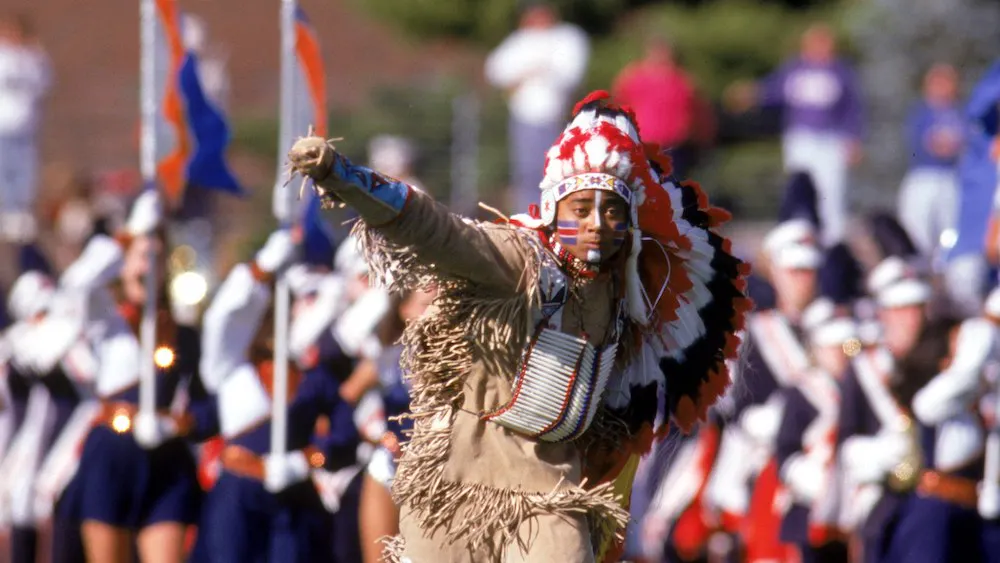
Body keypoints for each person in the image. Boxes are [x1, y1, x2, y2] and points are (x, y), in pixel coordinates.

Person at [287, 90, 752, 562]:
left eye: (612, 210)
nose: (597, 223)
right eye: (582, 208)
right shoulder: (520, 263)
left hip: (550, 491)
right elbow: (440, 232)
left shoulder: (625, 295)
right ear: (553, 211)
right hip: (456, 484)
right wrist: (343, 178)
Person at [57, 191, 215, 563]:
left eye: (157, 258)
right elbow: (78, 283)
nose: (148, 267)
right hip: (111, 453)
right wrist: (128, 235)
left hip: (166, 457)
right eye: (141, 258)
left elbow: (207, 404)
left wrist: (182, 423)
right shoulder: (105, 317)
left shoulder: (183, 331)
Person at [727, 23, 864, 246]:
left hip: (831, 141)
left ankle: (833, 245)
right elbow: (772, 89)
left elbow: (854, 109)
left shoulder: (842, 72)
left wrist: (854, 139)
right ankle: (800, 239)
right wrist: (750, 94)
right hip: (800, 139)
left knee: (832, 193)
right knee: (799, 188)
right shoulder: (795, 70)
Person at [485, 1, 590, 214]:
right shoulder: (520, 40)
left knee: (560, 172)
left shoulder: (567, 37)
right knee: (527, 173)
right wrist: (527, 72)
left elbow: (570, 75)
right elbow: (496, 70)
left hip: (557, 117)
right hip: (524, 118)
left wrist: (541, 71)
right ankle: (529, 218)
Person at [612, 37, 714, 179]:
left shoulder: (683, 80)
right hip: (640, 147)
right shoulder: (632, 77)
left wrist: (703, 143)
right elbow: (619, 109)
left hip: (675, 149)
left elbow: (700, 117)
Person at [897, 64, 963, 261]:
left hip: (951, 177)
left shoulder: (960, 114)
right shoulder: (919, 113)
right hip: (923, 177)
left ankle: (949, 278)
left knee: (951, 232)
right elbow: (928, 145)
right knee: (917, 232)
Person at [0, 13, 51, 244]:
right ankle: (7, 212)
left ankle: (21, 213)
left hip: (25, 123)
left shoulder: (32, 57)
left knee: (25, 171)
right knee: (4, 169)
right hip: (3, 122)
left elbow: (45, 83)